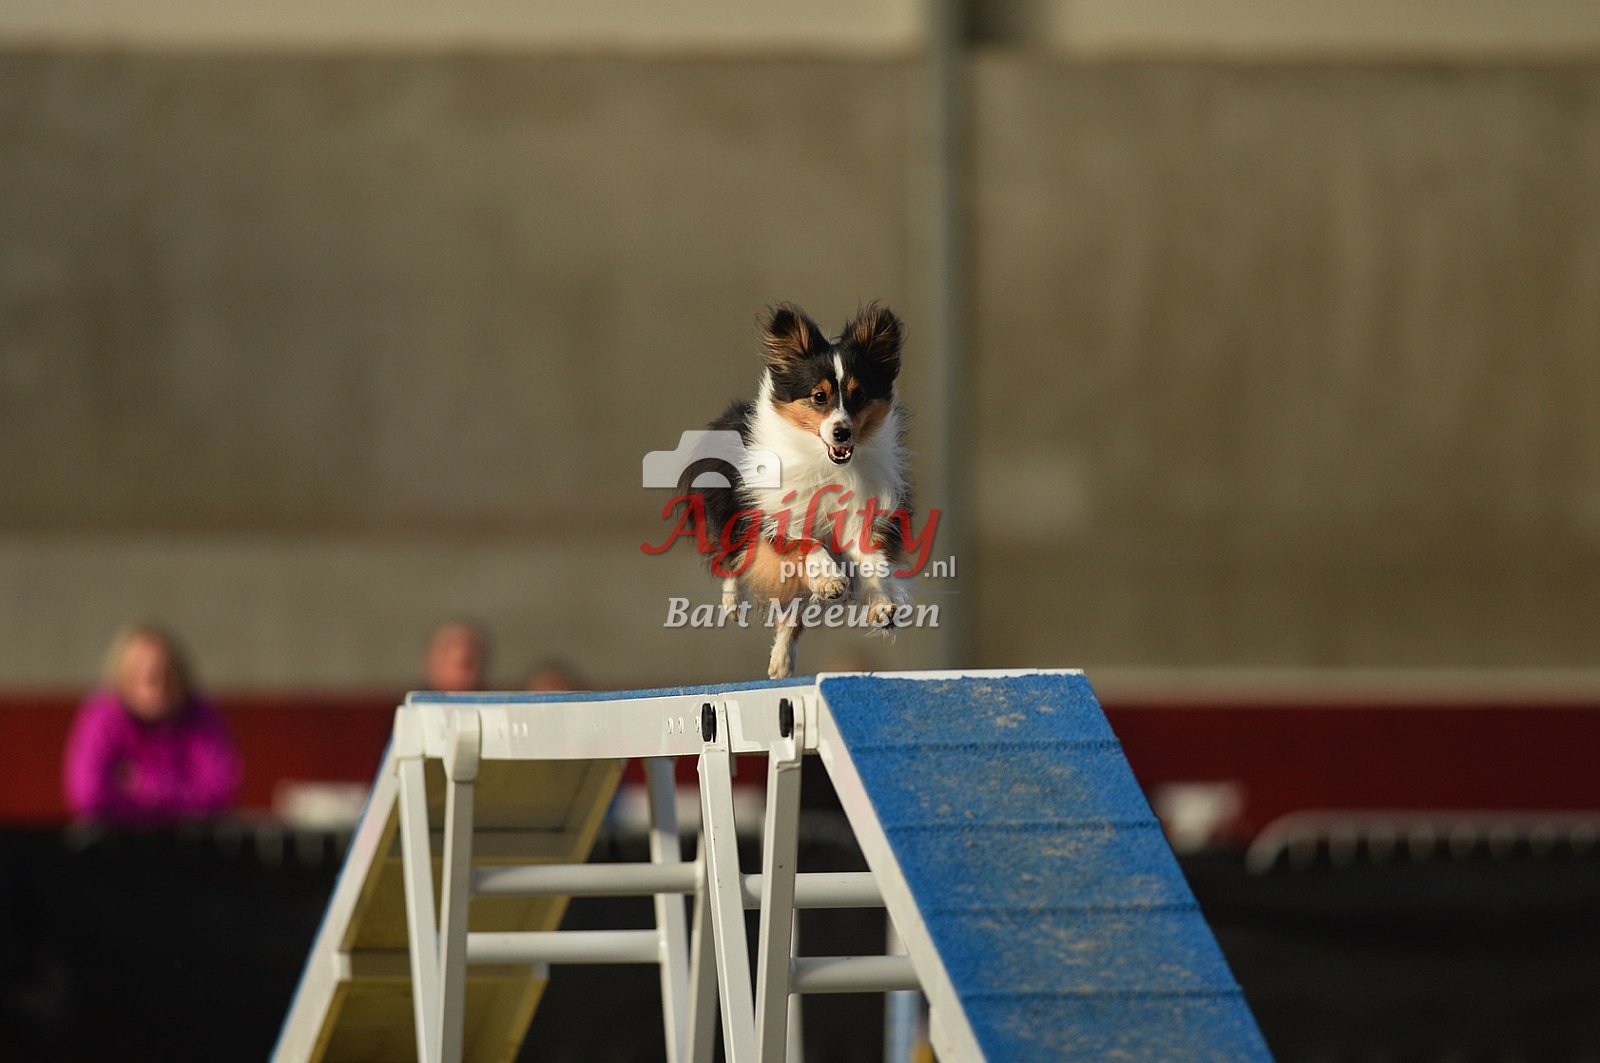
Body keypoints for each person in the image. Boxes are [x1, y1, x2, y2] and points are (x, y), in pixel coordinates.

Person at [62, 623, 240, 824]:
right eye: (142, 673)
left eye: (165, 673)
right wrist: (182, 789)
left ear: (179, 675)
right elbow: (88, 796)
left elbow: (221, 790)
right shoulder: (104, 716)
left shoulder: (198, 714)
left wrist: (146, 785)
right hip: (118, 836)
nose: (156, 684)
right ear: (122, 675)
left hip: (187, 835)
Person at [423, 620, 488, 692]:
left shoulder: (493, 695)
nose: (459, 654)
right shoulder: (414, 695)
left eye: (468, 662)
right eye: (447, 647)